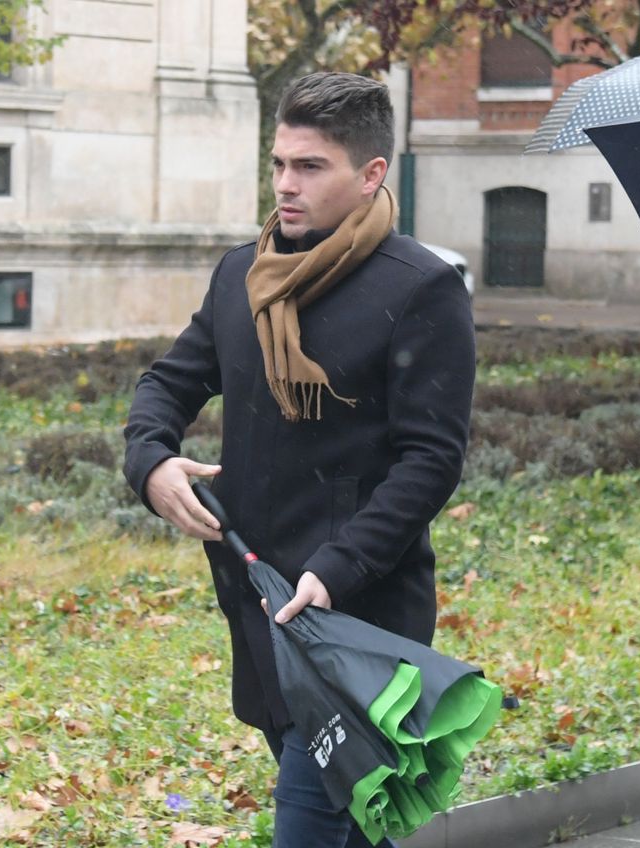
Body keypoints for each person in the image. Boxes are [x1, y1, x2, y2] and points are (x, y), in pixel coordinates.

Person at [123, 72, 475, 848]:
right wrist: (151, 463)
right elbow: (168, 384)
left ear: (371, 173)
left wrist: (339, 567)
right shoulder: (242, 276)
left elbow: (431, 460)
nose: (286, 183)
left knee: (310, 825)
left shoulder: (423, 289)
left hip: (357, 620)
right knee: (353, 828)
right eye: (280, 163)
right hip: (256, 605)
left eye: (310, 167)